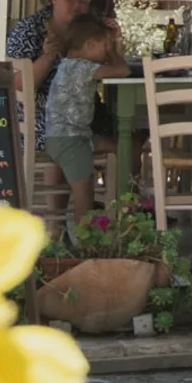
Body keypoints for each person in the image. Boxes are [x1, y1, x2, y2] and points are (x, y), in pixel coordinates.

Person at [38, 14, 125, 226]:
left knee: (118, 145)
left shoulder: (69, 64)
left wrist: (110, 46)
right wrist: (115, 51)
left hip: (74, 136)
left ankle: (124, 199)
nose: (107, 51)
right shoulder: (82, 68)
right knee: (84, 190)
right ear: (90, 44)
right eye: (104, 46)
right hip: (70, 140)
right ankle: (84, 238)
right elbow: (123, 70)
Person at [6, 0, 94, 129]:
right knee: (113, 141)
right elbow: (15, 85)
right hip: (38, 118)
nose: (77, 5)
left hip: (79, 111)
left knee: (128, 130)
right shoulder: (29, 29)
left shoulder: (87, 29)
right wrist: (47, 58)